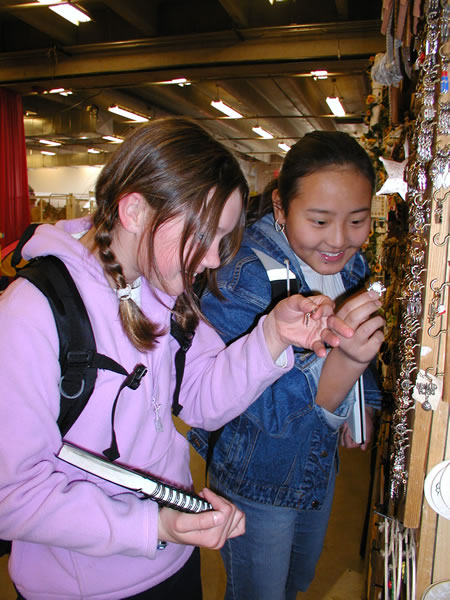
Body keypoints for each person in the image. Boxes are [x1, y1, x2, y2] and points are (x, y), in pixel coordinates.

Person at [0, 118, 352, 600]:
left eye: (223, 239)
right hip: (81, 586)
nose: (213, 259)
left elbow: (203, 400)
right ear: (134, 211)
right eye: (203, 236)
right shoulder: (31, 312)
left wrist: (272, 335)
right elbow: (10, 495)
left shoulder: (163, 289)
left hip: (173, 562)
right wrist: (150, 525)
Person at [188, 130, 385, 600]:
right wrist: (346, 362)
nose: (339, 240)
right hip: (256, 478)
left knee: (296, 582)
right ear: (280, 207)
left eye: (358, 220)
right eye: (319, 220)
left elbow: (362, 355)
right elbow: (262, 410)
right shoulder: (242, 277)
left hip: (317, 462)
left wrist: (364, 403)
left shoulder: (351, 266)